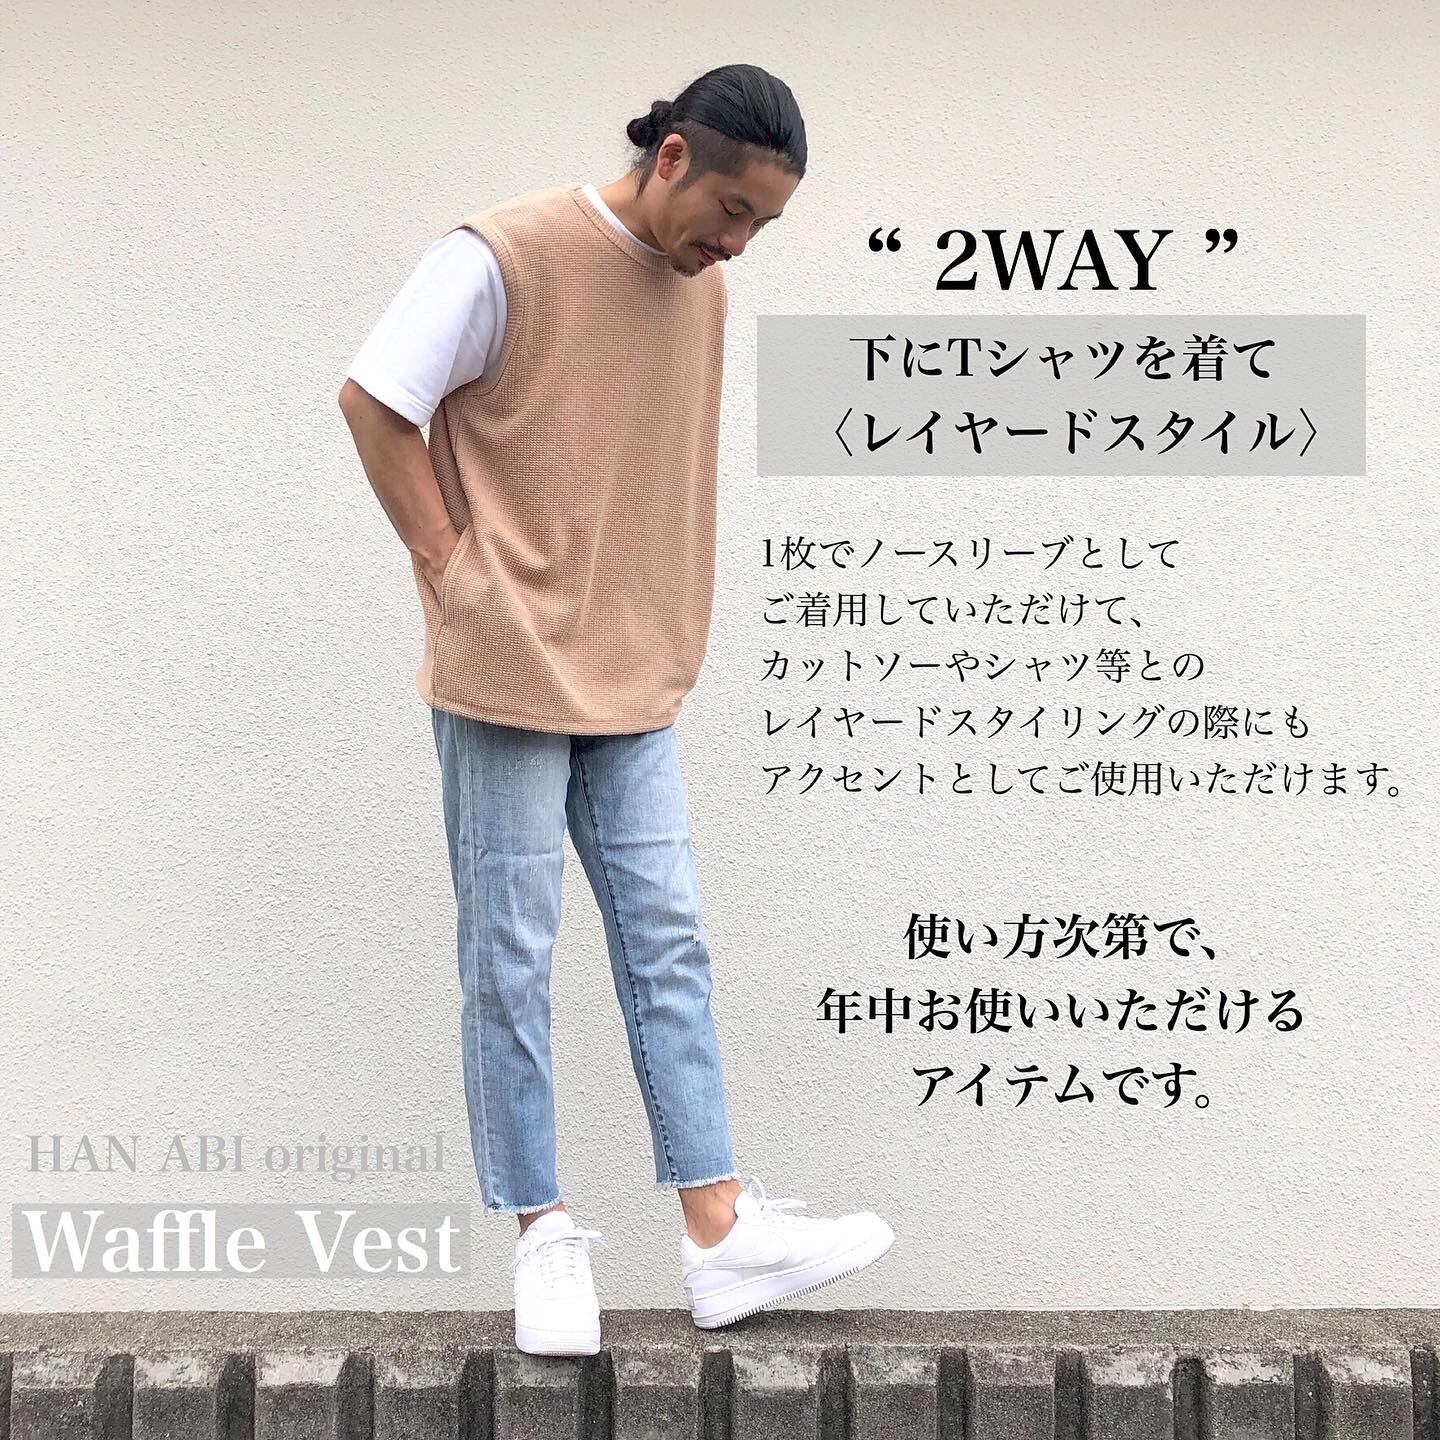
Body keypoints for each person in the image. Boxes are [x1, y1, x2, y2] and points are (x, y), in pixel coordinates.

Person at [338, 62, 894, 1357]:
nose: (737, 245)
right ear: (673, 157)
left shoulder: (700, 288)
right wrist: (451, 570)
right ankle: (542, 1235)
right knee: (511, 952)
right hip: (508, 666)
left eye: (763, 226)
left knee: (667, 938)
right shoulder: (503, 257)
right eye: (734, 212)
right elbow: (374, 399)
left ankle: (718, 1230)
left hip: (634, 664)